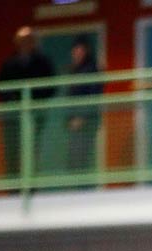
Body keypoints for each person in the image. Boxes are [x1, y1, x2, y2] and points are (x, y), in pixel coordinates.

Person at [0, 27, 57, 180]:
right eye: (22, 41)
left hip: (36, 114)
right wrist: (12, 102)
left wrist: (37, 101)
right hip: (14, 116)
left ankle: (30, 186)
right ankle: (15, 188)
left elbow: (51, 86)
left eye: (28, 41)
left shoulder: (43, 63)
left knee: (32, 150)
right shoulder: (9, 64)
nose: (25, 44)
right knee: (13, 151)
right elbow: (0, 89)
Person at [60, 39, 103, 178]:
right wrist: (69, 119)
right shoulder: (72, 70)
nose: (76, 53)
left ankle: (81, 187)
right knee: (73, 156)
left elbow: (94, 94)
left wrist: (82, 117)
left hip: (86, 121)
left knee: (82, 156)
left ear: (86, 51)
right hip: (73, 120)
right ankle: (74, 186)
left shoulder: (91, 69)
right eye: (75, 50)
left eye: (80, 50)